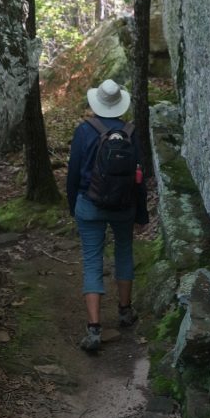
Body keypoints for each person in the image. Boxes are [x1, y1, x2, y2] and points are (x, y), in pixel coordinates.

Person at [66, 78, 149, 353]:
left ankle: (93, 329)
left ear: (97, 103)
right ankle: (125, 311)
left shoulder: (84, 131)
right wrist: (141, 214)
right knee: (124, 252)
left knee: (92, 261)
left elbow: (73, 173)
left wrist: (73, 205)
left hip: (89, 204)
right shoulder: (130, 132)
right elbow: (139, 176)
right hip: (124, 205)